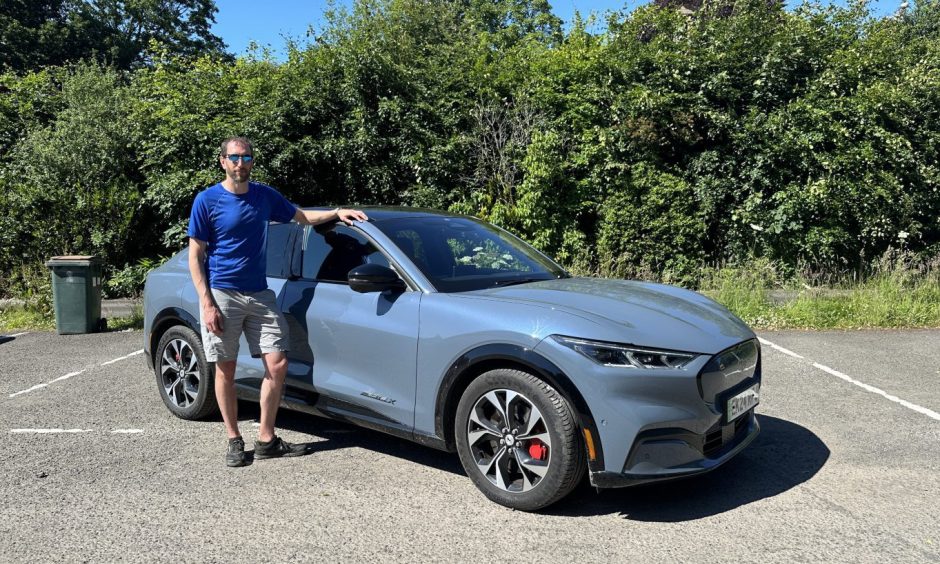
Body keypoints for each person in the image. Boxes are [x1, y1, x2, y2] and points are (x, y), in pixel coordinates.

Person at [188, 136, 368, 467]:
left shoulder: (264, 196)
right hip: (222, 293)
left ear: (252, 161)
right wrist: (207, 302)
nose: (241, 163)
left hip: (259, 293)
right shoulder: (207, 200)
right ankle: (233, 439)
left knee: (278, 363)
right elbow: (195, 254)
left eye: (246, 157)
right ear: (223, 161)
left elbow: (300, 216)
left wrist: (336, 212)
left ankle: (267, 438)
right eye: (234, 157)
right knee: (225, 367)